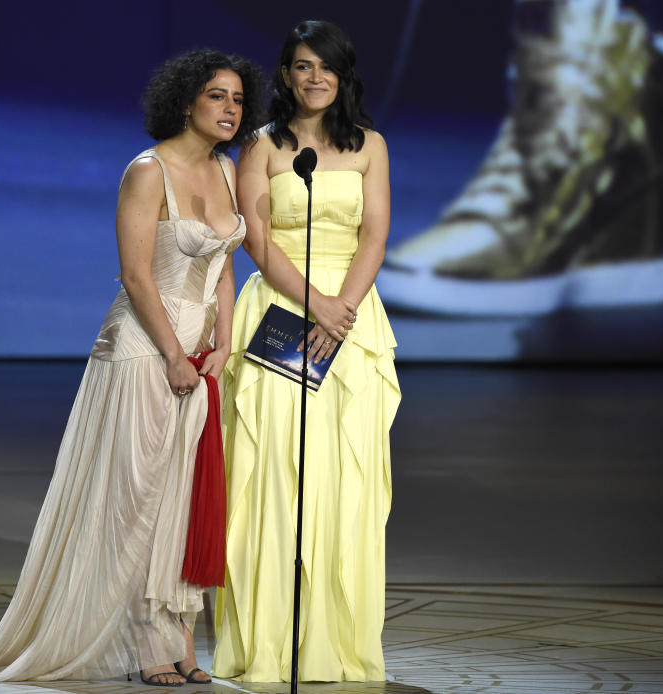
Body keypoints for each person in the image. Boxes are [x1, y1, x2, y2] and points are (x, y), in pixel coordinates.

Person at [0, 49, 264, 686]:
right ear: (186, 101)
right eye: (217, 96)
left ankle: (181, 642)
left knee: (182, 501)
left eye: (238, 99)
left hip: (201, 354)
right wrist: (173, 353)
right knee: (139, 502)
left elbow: (225, 264)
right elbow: (137, 274)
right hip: (146, 349)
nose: (230, 109)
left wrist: (221, 342)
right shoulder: (147, 171)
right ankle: (146, 649)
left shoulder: (226, 171)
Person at [212, 20, 401, 683]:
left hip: (352, 323)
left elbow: (374, 232)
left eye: (325, 66)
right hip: (282, 317)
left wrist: (342, 308)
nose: (312, 77)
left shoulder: (370, 146)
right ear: (286, 75)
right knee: (273, 473)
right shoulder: (261, 147)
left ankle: (333, 644)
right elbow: (258, 240)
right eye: (300, 65)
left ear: (343, 75)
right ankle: (266, 646)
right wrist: (315, 304)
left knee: (339, 479)